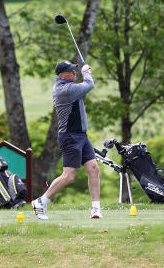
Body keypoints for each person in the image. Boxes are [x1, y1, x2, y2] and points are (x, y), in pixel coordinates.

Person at [31, 60, 101, 220]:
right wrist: (86, 72)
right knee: (69, 176)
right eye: (70, 71)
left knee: (93, 168)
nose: (74, 73)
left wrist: (83, 73)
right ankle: (41, 202)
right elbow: (89, 85)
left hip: (81, 135)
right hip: (70, 136)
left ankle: (96, 209)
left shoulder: (70, 86)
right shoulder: (65, 90)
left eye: (75, 70)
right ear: (61, 75)